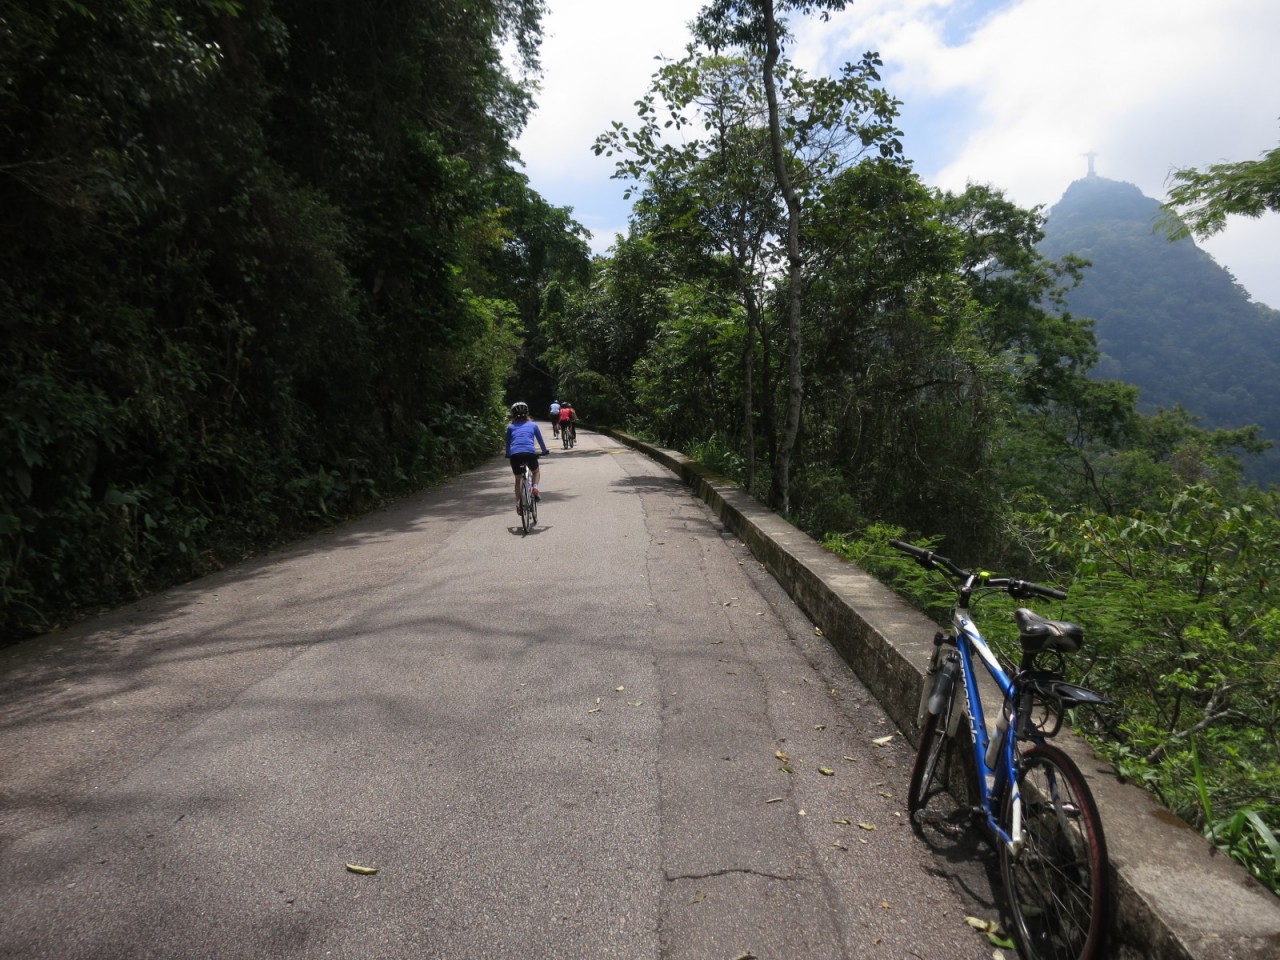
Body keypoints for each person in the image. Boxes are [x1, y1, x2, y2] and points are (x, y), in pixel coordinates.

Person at [505, 401, 549, 515]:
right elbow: (540, 440)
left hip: (515, 455)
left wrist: (508, 453)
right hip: (529, 453)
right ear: (527, 412)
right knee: (536, 471)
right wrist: (544, 451)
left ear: (513, 414)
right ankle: (534, 487)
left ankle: (518, 504)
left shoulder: (510, 427)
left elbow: (508, 443)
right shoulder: (533, 425)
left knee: (518, 479)